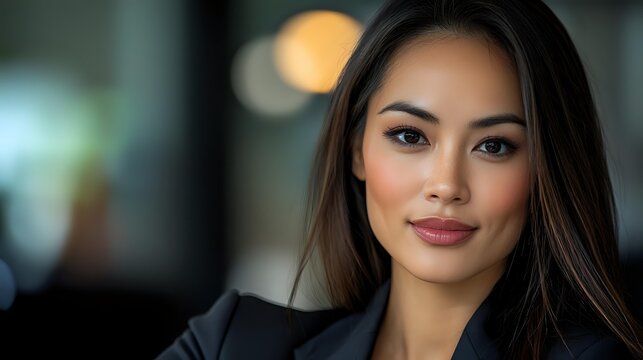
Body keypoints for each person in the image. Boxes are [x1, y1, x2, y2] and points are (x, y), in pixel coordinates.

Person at [158, 0, 643, 358]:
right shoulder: (232, 344)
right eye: (410, 136)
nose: (446, 184)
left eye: (494, 145)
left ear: (544, 172)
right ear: (357, 152)